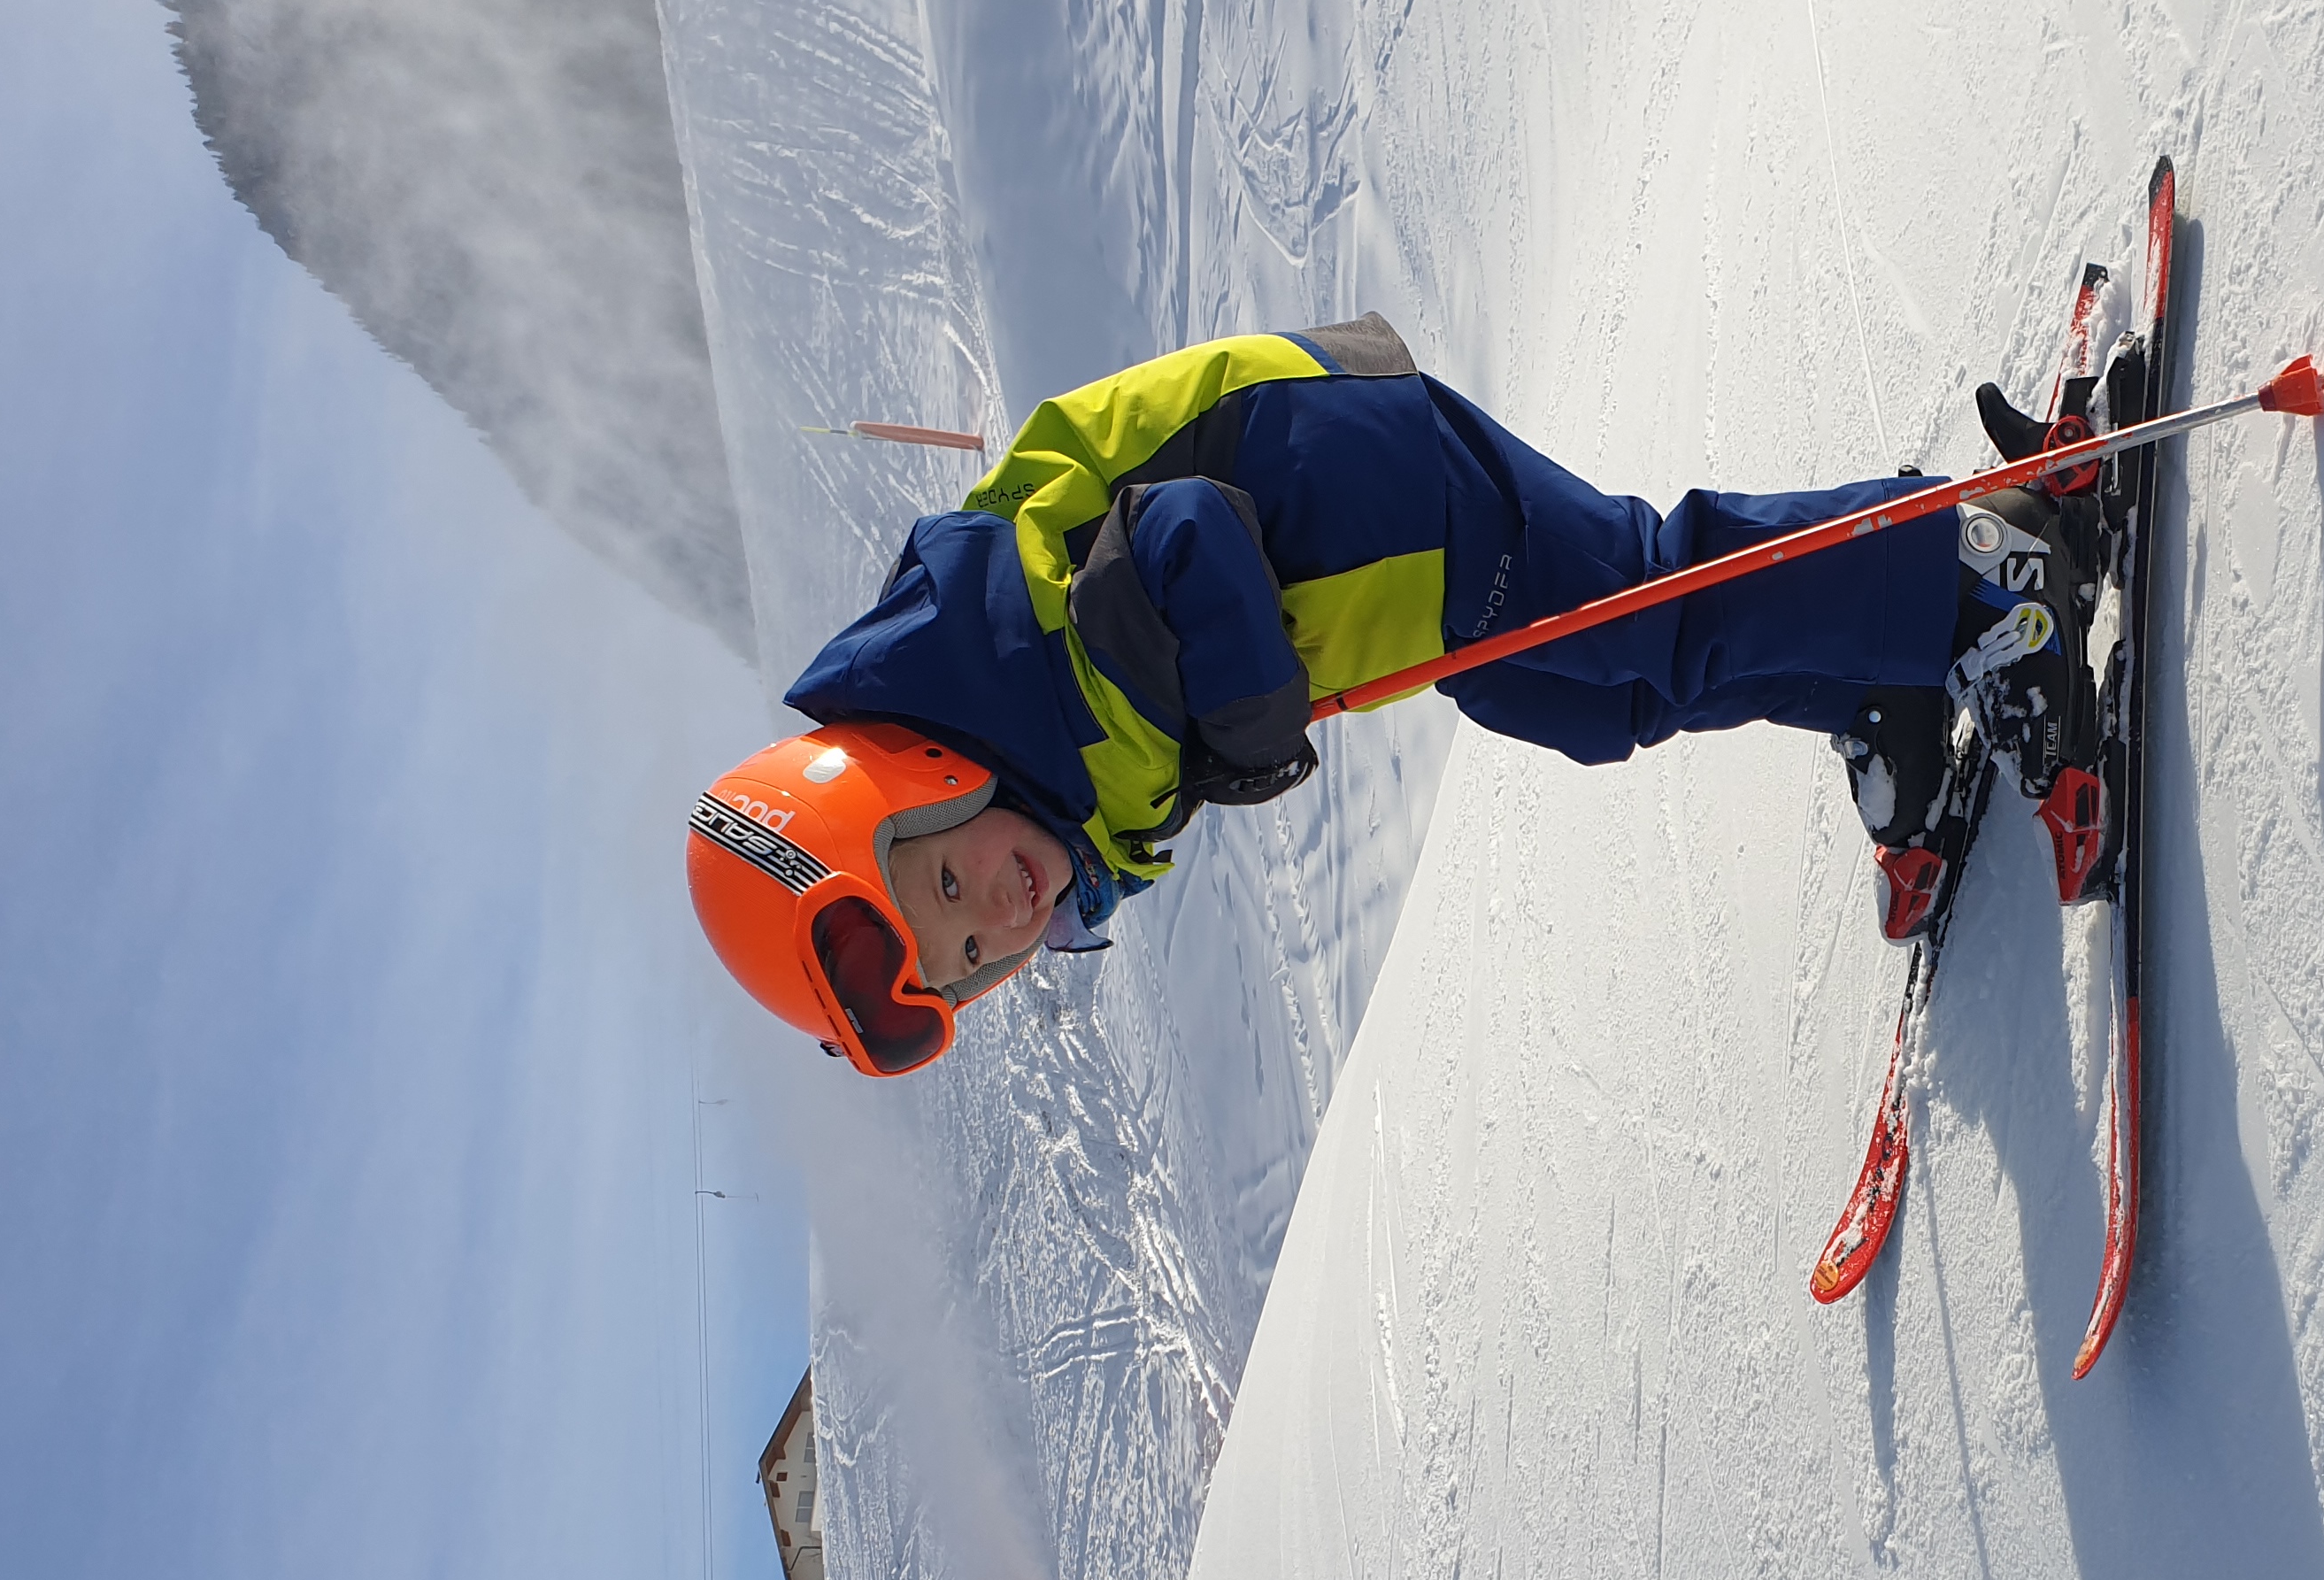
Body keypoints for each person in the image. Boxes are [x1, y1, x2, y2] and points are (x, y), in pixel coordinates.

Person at [689, 314, 2093, 1075]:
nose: (995, 924)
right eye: (972, 967)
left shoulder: (1030, 656)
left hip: (1367, 491)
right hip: (1381, 582)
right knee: (1600, 700)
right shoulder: (1036, 760)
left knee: (1656, 604)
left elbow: (1184, 532)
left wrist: (1243, 719)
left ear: (914, 786)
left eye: (943, 892)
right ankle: (1886, 675)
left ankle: (1978, 571)